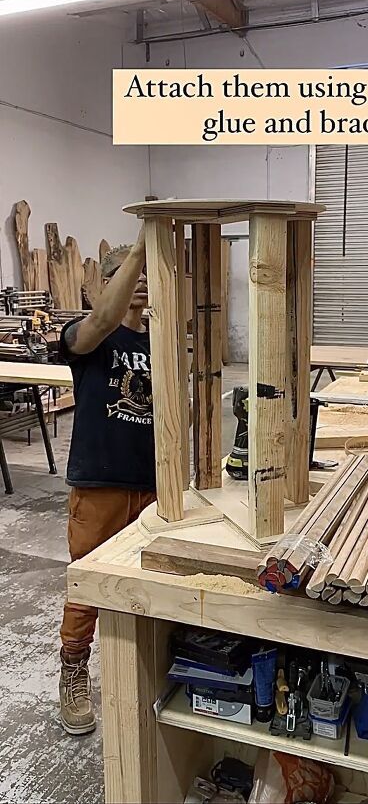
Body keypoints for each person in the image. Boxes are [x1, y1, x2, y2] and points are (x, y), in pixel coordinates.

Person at [58, 227, 156, 735]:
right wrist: (141, 249)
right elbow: (101, 319)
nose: (139, 282)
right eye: (127, 274)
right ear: (106, 283)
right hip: (100, 486)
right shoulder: (85, 335)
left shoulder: (161, 340)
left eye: (144, 274)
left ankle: (148, 675)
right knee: (88, 586)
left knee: (152, 587)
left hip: (154, 488)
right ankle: (73, 666)